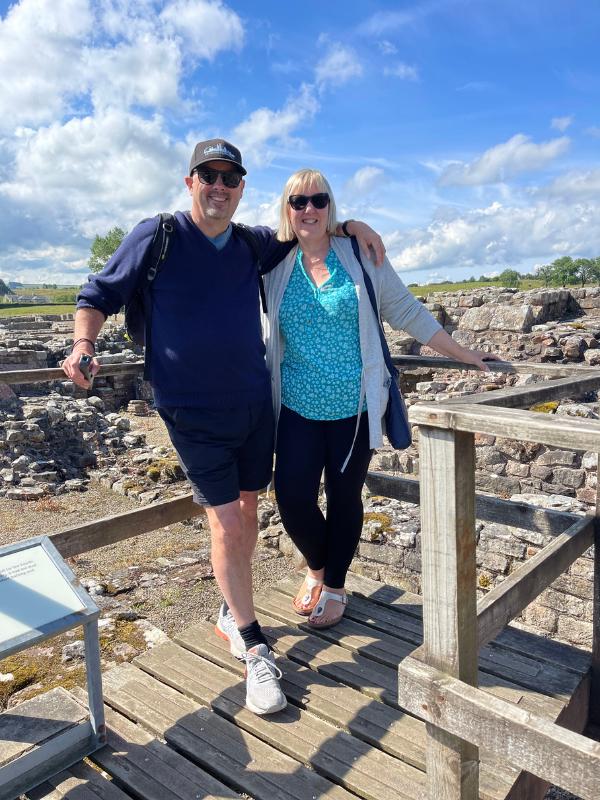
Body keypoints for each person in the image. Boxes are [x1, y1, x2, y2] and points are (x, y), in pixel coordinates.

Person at [62, 140, 385, 716]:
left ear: (241, 188)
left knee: (248, 515)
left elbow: (306, 227)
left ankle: (229, 609)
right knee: (228, 525)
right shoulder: (156, 236)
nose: (219, 186)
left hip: (255, 406)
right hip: (192, 413)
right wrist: (83, 343)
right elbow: (99, 293)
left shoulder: (249, 243)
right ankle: (255, 645)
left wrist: (350, 224)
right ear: (190, 182)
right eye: (208, 175)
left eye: (229, 178)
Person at [263, 168, 497, 629]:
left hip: (356, 407)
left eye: (318, 200)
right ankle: (316, 568)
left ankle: (334, 586)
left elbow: (406, 309)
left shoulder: (359, 253)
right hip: (297, 406)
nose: (308, 209)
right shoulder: (273, 263)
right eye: (298, 202)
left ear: (331, 206)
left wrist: (463, 352)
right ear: (286, 210)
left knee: (345, 497)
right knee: (291, 499)